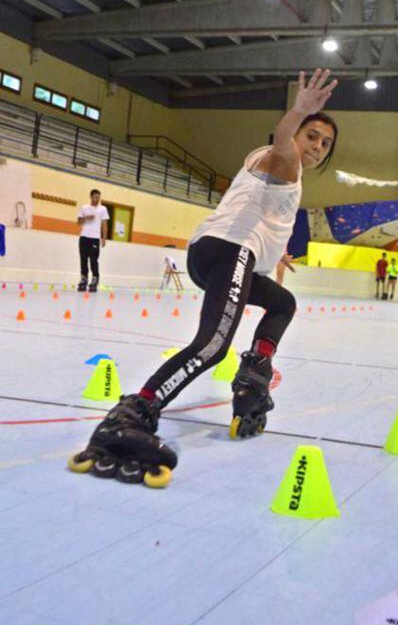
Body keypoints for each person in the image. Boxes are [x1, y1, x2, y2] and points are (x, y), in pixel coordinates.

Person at [68, 67, 339, 488]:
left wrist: (274, 251)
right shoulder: (281, 157)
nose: (318, 146)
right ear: (296, 134)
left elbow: (261, 211)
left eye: (325, 143)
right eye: (312, 136)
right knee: (212, 345)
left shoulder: (288, 174)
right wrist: (299, 111)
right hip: (229, 250)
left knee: (282, 302)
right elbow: (283, 142)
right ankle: (135, 412)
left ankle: (254, 378)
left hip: (228, 255)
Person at [77, 189, 109, 293]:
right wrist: (86, 218)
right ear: (91, 197)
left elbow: (104, 224)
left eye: (99, 197)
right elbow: (78, 222)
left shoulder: (102, 209)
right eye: (95, 197)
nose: (97, 199)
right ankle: (84, 278)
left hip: (95, 238)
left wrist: (104, 238)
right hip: (84, 237)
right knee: (83, 259)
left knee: (94, 260)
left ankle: (95, 279)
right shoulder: (84, 208)